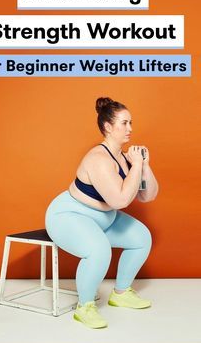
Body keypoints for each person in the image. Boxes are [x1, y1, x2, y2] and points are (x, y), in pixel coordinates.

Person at [45, 97, 159, 329]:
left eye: (131, 123)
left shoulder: (124, 158)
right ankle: (84, 307)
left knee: (141, 238)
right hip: (69, 216)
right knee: (98, 250)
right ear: (108, 127)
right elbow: (120, 200)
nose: (131, 129)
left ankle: (121, 292)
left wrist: (144, 165)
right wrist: (135, 166)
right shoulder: (98, 159)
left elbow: (148, 196)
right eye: (124, 123)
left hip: (104, 219)